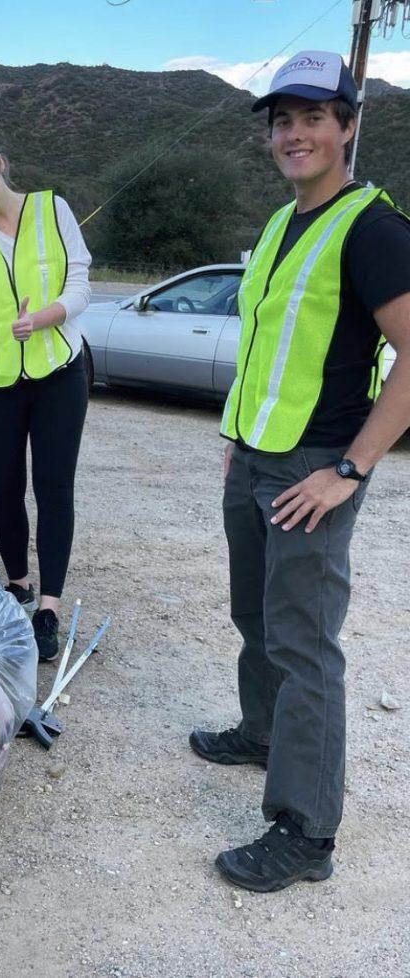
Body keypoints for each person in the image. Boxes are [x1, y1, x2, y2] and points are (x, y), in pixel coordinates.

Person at [191, 51, 410, 892]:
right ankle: (260, 731)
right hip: (255, 456)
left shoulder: (373, 229)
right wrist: (238, 442)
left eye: (314, 116)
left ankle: (306, 832)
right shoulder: (284, 224)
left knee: (304, 641)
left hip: (317, 467)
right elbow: (268, 352)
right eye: (283, 119)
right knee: (257, 612)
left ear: (349, 126)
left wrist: (350, 471)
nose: (294, 133)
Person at [0, 130, 91, 660]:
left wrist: (47, 316)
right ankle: (18, 584)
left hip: (59, 371)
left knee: (53, 489)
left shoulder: (53, 209)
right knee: (4, 488)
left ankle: (48, 607)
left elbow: (81, 283)